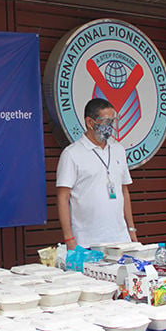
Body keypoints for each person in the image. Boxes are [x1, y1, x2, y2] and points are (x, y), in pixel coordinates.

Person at [56, 98, 139, 250]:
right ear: (90, 122)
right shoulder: (72, 154)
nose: (110, 127)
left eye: (112, 121)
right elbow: (63, 197)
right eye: (106, 121)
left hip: (121, 238)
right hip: (87, 241)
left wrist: (131, 229)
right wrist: (69, 238)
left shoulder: (118, 150)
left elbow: (124, 191)